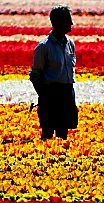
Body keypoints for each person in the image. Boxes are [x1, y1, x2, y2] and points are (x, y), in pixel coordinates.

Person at [30, 5, 77, 140]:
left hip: (67, 91)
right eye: (68, 20)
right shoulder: (44, 47)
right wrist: (44, 95)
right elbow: (35, 75)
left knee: (63, 133)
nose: (71, 24)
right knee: (48, 133)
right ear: (57, 23)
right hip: (51, 92)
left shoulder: (70, 44)